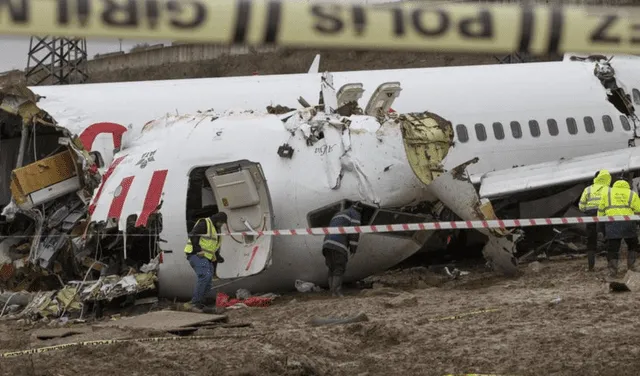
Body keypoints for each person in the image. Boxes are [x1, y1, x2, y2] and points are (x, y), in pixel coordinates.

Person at [183, 212, 227, 312]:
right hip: (196, 254)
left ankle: (200, 303)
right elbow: (194, 235)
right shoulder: (204, 223)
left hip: (206, 257)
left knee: (209, 279)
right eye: (221, 222)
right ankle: (195, 303)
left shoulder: (215, 228)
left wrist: (218, 256)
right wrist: (198, 250)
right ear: (217, 220)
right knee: (205, 276)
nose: (221, 225)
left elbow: (212, 245)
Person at [597, 179, 640, 278]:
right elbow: (638, 210)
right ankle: (632, 267)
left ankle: (612, 272)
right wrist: (636, 222)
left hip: (612, 223)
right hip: (628, 223)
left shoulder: (607, 194)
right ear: (627, 185)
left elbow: (600, 212)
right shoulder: (632, 194)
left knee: (612, 248)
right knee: (633, 245)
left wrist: (601, 225)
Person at [322, 202, 363, 297]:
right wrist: (353, 249)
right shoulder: (355, 214)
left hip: (326, 244)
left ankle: (332, 292)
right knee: (339, 268)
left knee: (331, 268)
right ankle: (337, 291)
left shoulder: (339, 214)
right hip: (338, 244)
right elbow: (354, 232)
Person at [578, 169, 611, 271]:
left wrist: (588, 210)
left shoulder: (588, 190)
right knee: (608, 239)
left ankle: (591, 267)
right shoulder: (609, 189)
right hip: (604, 215)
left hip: (590, 216)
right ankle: (611, 266)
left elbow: (581, 206)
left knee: (591, 241)